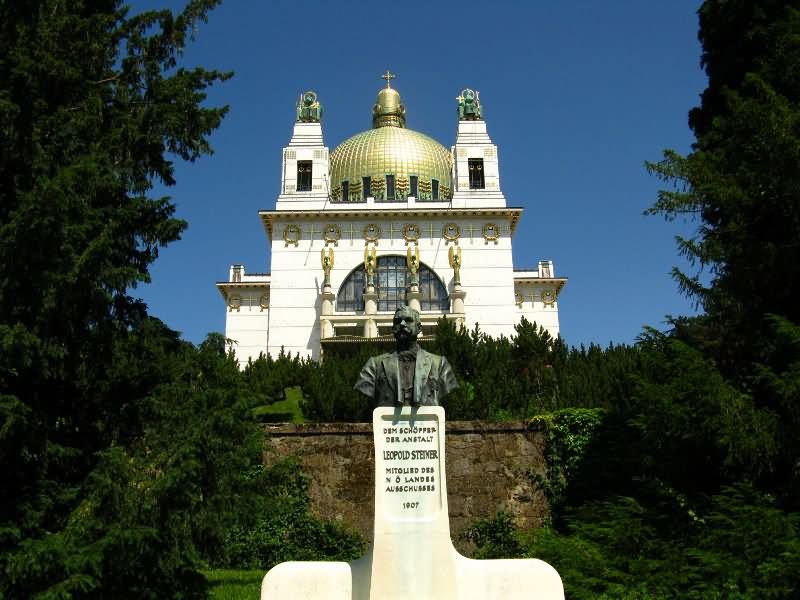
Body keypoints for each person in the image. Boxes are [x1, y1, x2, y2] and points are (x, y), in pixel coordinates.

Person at [354, 306, 458, 407]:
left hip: (426, 423)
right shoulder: (374, 365)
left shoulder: (440, 364)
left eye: (408, 320)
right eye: (397, 321)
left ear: (419, 328)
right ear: (393, 328)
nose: (402, 324)